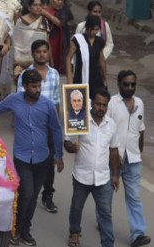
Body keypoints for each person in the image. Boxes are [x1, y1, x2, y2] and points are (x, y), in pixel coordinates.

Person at [0, 69, 64, 247]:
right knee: (26, 194)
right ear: (24, 87)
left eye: (39, 86)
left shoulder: (47, 105)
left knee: (33, 197)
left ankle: (25, 232)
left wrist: (59, 155)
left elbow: (56, 129)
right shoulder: (14, 100)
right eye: (33, 86)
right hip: (22, 158)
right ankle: (15, 230)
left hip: (42, 159)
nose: (37, 90)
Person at [64, 88, 120, 247]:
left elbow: (114, 150)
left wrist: (115, 175)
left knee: (106, 214)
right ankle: (74, 232)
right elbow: (67, 142)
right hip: (81, 176)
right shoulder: (79, 118)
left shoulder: (111, 125)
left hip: (103, 178)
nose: (101, 108)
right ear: (91, 103)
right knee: (76, 208)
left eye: (104, 105)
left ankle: (108, 243)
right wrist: (70, 147)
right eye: (97, 104)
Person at [16, 39, 62, 214]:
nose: (42, 54)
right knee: (30, 162)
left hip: (49, 127)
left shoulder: (55, 74)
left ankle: (47, 196)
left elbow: (56, 100)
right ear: (32, 54)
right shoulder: (24, 76)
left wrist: (56, 126)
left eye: (45, 51)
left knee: (49, 163)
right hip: (31, 128)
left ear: (48, 53)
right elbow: (20, 103)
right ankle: (28, 195)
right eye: (38, 52)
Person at [107, 70, 149, 247]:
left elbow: (141, 129)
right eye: (126, 84)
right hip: (113, 159)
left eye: (133, 84)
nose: (130, 87)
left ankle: (138, 233)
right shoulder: (111, 104)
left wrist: (139, 151)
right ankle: (102, 222)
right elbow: (105, 131)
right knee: (105, 196)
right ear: (119, 84)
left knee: (134, 197)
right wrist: (111, 158)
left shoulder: (139, 103)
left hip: (133, 160)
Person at [66, 14, 107, 96]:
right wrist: (69, 79)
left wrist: (104, 78)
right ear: (87, 28)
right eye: (92, 29)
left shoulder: (99, 41)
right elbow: (68, 58)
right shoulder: (77, 40)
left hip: (96, 78)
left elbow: (101, 61)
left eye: (97, 29)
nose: (94, 32)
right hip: (80, 77)